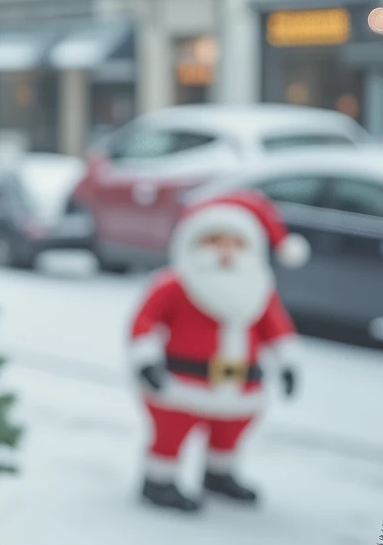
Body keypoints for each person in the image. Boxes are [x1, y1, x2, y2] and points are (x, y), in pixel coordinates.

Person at [128, 189, 307, 512]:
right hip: (182, 383)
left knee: (229, 435)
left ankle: (219, 474)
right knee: (171, 434)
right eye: (215, 241)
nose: (225, 251)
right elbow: (145, 323)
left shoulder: (258, 290)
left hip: (241, 385)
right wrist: (145, 361)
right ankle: (159, 480)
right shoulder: (176, 285)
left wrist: (289, 363)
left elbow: (277, 330)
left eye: (235, 242)